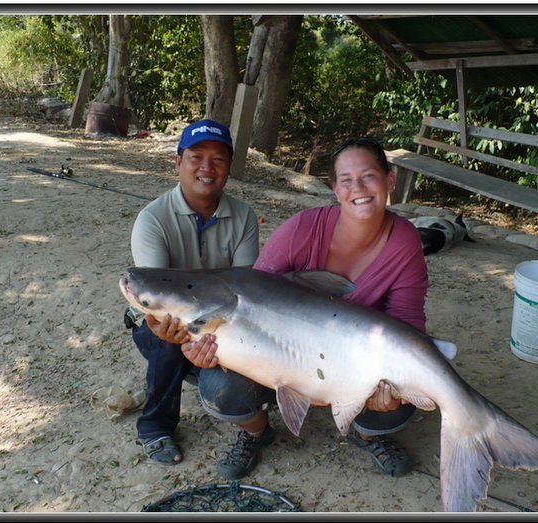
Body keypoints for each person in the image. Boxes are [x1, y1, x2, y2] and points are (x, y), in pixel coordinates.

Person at [184, 137, 429, 480]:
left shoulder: (404, 240)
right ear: (335, 188)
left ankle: (366, 434)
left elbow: (407, 320)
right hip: (283, 352)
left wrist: (392, 383)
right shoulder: (302, 227)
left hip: (356, 360)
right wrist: (210, 351)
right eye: (346, 179)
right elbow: (251, 299)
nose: (357, 187)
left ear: (390, 180)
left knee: (393, 410)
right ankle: (255, 432)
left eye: (368, 176)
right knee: (219, 388)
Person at [125, 118, 259, 465]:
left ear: (229, 167)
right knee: (170, 337)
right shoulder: (152, 219)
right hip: (165, 320)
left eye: (218, 159)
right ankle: (155, 427)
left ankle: (242, 406)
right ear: (178, 161)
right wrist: (179, 330)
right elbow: (154, 294)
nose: (206, 167)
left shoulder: (244, 216)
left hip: (222, 318)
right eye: (196, 157)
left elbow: (246, 286)